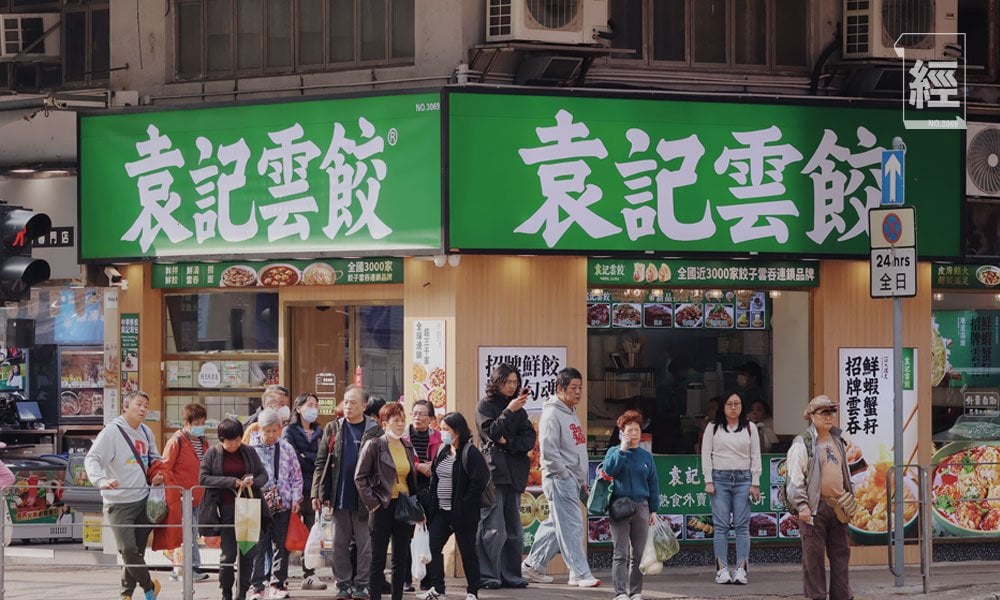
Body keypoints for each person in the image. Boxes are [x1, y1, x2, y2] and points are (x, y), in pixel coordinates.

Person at [522, 367, 601, 588]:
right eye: (573, 388)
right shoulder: (551, 414)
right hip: (560, 478)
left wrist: (581, 479)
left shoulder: (570, 412)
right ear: (560, 388)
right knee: (572, 525)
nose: (578, 392)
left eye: (580, 388)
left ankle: (533, 567)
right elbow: (549, 452)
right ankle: (579, 572)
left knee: (556, 525)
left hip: (571, 479)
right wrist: (565, 474)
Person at [84, 390, 163, 600]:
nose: (143, 409)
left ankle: (126, 594)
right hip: (118, 502)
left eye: (146, 406)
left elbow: (154, 460)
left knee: (137, 551)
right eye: (138, 405)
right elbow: (92, 459)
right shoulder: (112, 431)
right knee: (127, 549)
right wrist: (101, 481)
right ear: (125, 406)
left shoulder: (146, 432)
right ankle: (149, 587)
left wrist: (157, 475)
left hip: (144, 500)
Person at [312, 385, 379, 600]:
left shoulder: (375, 430)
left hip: (365, 499)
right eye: (346, 401)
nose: (348, 406)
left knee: (364, 545)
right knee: (339, 545)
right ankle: (343, 584)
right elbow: (321, 462)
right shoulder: (333, 428)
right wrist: (317, 493)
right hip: (339, 496)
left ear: (364, 406)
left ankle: (362, 584)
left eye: (353, 402)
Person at [787, 395, 856, 600]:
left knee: (841, 556)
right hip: (814, 508)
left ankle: (842, 596)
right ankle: (817, 597)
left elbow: (845, 472)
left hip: (838, 506)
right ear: (812, 416)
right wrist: (802, 505)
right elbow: (794, 478)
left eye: (832, 411)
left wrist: (850, 495)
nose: (829, 416)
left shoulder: (838, 439)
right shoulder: (803, 443)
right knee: (813, 558)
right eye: (824, 412)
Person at [475, 364, 536, 589]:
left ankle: (511, 575)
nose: (512, 386)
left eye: (514, 382)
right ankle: (488, 575)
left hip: (515, 474)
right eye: (508, 381)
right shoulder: (485, 405)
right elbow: (491, 433)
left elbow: (529, 438)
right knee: (493, 528)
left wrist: (508, 443)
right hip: (493, 473)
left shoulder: (520, 409)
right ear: (496, 381)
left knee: (514, 530)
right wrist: (508, 411)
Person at [354, 401, 420, 600]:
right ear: (384, 423)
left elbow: (410, 478)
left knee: (401, 558)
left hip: (403, 505)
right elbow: (360, 477)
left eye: (402, 420)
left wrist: (417, 507)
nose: (400, 424)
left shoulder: (407, 445)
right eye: (395, 420)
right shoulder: (375, 445)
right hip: (382, 505)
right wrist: (373, 503)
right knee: (378, 559)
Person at [419, 411, 487, 600]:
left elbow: (479, 482)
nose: (443, 433)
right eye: (441, 429)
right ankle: (437, 587)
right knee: (432, 545)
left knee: (467, 551)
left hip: (463, 513)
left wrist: (464, 504)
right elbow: (435, 477)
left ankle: (473, 591)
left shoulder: (470, 452)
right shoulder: (442, 449)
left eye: (446, 430)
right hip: (442, 510)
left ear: (457, 431)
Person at [199, 418, 269, 600]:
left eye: (238, 439)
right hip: (226, 510)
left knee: (247, 554)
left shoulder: (249, 451)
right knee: (228, 555)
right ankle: (226, 592)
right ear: (221, 439)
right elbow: (203, 478)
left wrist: (252, 481)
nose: (234, 444)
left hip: (248, 509)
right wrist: (230, 482)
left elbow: (264, 475)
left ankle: (242, 593)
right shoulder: (213, 453)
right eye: (230, 441)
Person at [701, 390, 762, 585]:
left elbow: (756, 455)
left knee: (742, 526)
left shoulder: (750, 427)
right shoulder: (713, 427)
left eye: (737, 404)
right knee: (721, 527)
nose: (733, 407)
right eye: (729, 404)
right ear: (723, 407)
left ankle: (741, 569)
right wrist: (708, 480)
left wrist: (755, 482)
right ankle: (722, 569)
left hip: (744, 479)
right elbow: (705, 455)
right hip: (719, 478)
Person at [603, 410, 660, 600]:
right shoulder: (614, 452)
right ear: (622, 431)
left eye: (636, 430)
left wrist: (654, 510)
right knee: (621, 553)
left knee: (638, 553)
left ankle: (636, 591)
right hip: (619, 506)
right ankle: (620, 592)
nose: (633, 434)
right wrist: (622, 449)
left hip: (641, 506)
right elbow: (609, 471)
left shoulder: (646, 456)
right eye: (629, 430)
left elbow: (653, 483)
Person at [248, 408, 303, 599]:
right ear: (259, 429)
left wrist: (296, 498)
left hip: (283, 503)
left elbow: (296, 476)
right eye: (267, 431)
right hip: (258, 504)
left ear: (280, 429)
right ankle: (257, 586)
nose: (271, 435)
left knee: (281, 545)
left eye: (274, 430)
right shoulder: (250, 448)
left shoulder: (286, 448)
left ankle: (278, 583)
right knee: (259, 546)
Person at [153, 403, 210, 583]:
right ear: (187, 422)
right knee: (188, 533)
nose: (200, 426)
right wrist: (172, 489)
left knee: (191, 532)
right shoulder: (176, 441)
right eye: (197, 422)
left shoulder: (203, 441)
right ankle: (191, 568)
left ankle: (179, 569)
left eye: (203, 422)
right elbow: (166, 466)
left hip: (198, 495)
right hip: (182, 496)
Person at [283, 392, 328, 591]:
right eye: (309, 404)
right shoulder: (289, 431)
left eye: (316, 405)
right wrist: (311, 458)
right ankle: (280, 575)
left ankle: (309, 574)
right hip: (292, 489)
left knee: (312, 532)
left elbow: (324, 459)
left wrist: (307, 456)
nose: (313, 409)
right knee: (285, 531)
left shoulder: (321, 431)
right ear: (299, 408)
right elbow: (291, 459)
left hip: (313, 489)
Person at [403, 399, 443, 592]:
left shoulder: (438, 437)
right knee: (406, 534)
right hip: (408, 489)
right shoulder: (404, 436)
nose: (417, 417)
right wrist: (418, 466)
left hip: (430, 490)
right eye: (415, 413)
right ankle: (405, 579)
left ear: (431, 419)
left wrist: (432, 467)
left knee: (428, 535)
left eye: (422, 414)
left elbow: (444, 459)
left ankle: (427, 580)